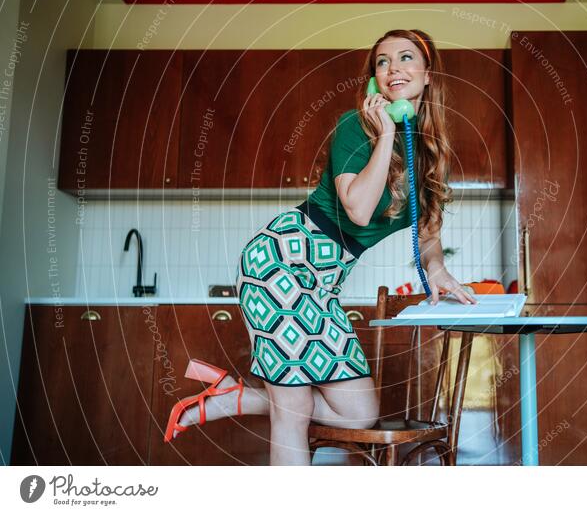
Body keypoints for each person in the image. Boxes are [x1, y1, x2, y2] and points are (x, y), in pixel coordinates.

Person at [163, 29, 477, 465]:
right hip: (280, 263)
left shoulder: (426, 154)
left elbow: (427, 235)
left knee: (358, 414)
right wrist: (385, 134)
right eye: (382, 62)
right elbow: (360, 210)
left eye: (406, 58)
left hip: (324, 284)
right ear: (374, 81)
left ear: (427, 75)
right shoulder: (355, 129)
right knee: (290, 417)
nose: (393, 69)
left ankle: (233, 397)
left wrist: (438, 269)